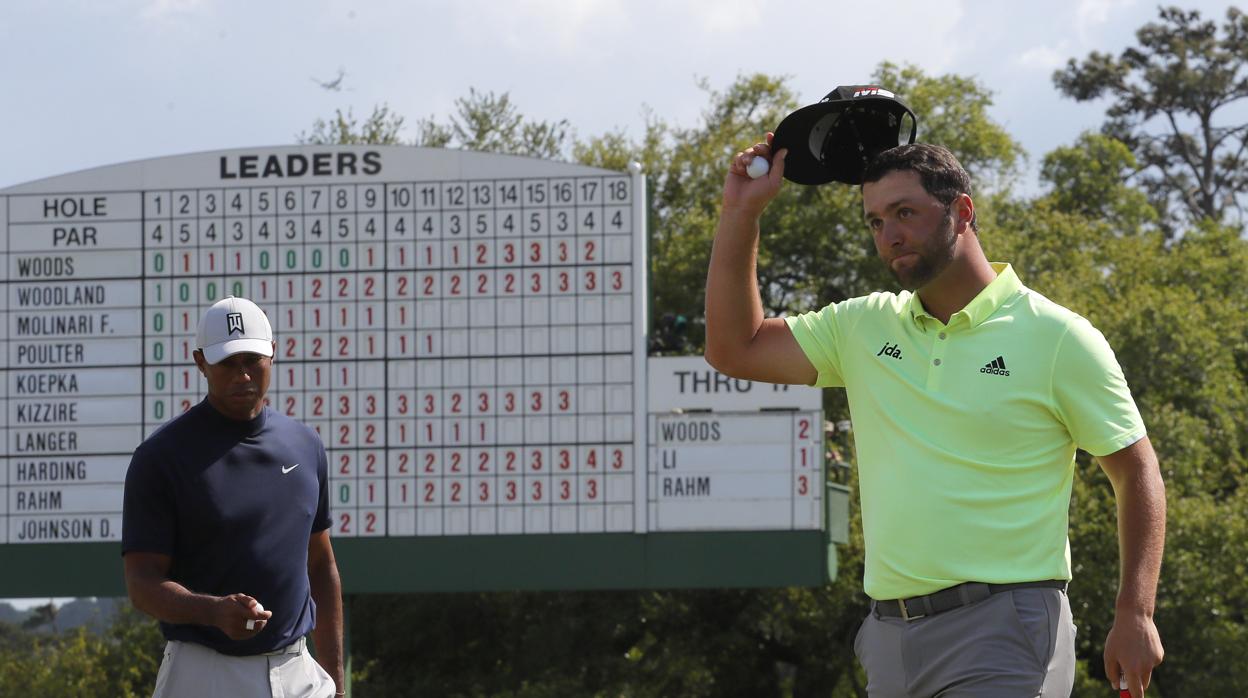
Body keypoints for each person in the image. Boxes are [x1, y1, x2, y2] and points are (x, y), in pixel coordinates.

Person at [705, 137, 1165, 698]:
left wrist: (1135, 611)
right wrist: (741, 212)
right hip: (888, 638)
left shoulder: (1058, 336)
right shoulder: (862, 327)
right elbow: (734, 347)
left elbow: (1136, 471)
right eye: (875, 222)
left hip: (1006, 627)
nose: (890, 235)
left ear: (961, 211)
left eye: (905, 213)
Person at [122, 296, 344, 698]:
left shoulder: (305, 444)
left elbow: (321, 565)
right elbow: (142, 583)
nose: (242, 375)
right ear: (200, 362)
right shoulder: (161, 457)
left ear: (273, 354)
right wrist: (212, 611)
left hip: (297, 670)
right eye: (227, 362)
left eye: (251, 360)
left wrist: (338, 686)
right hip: (204, 672)